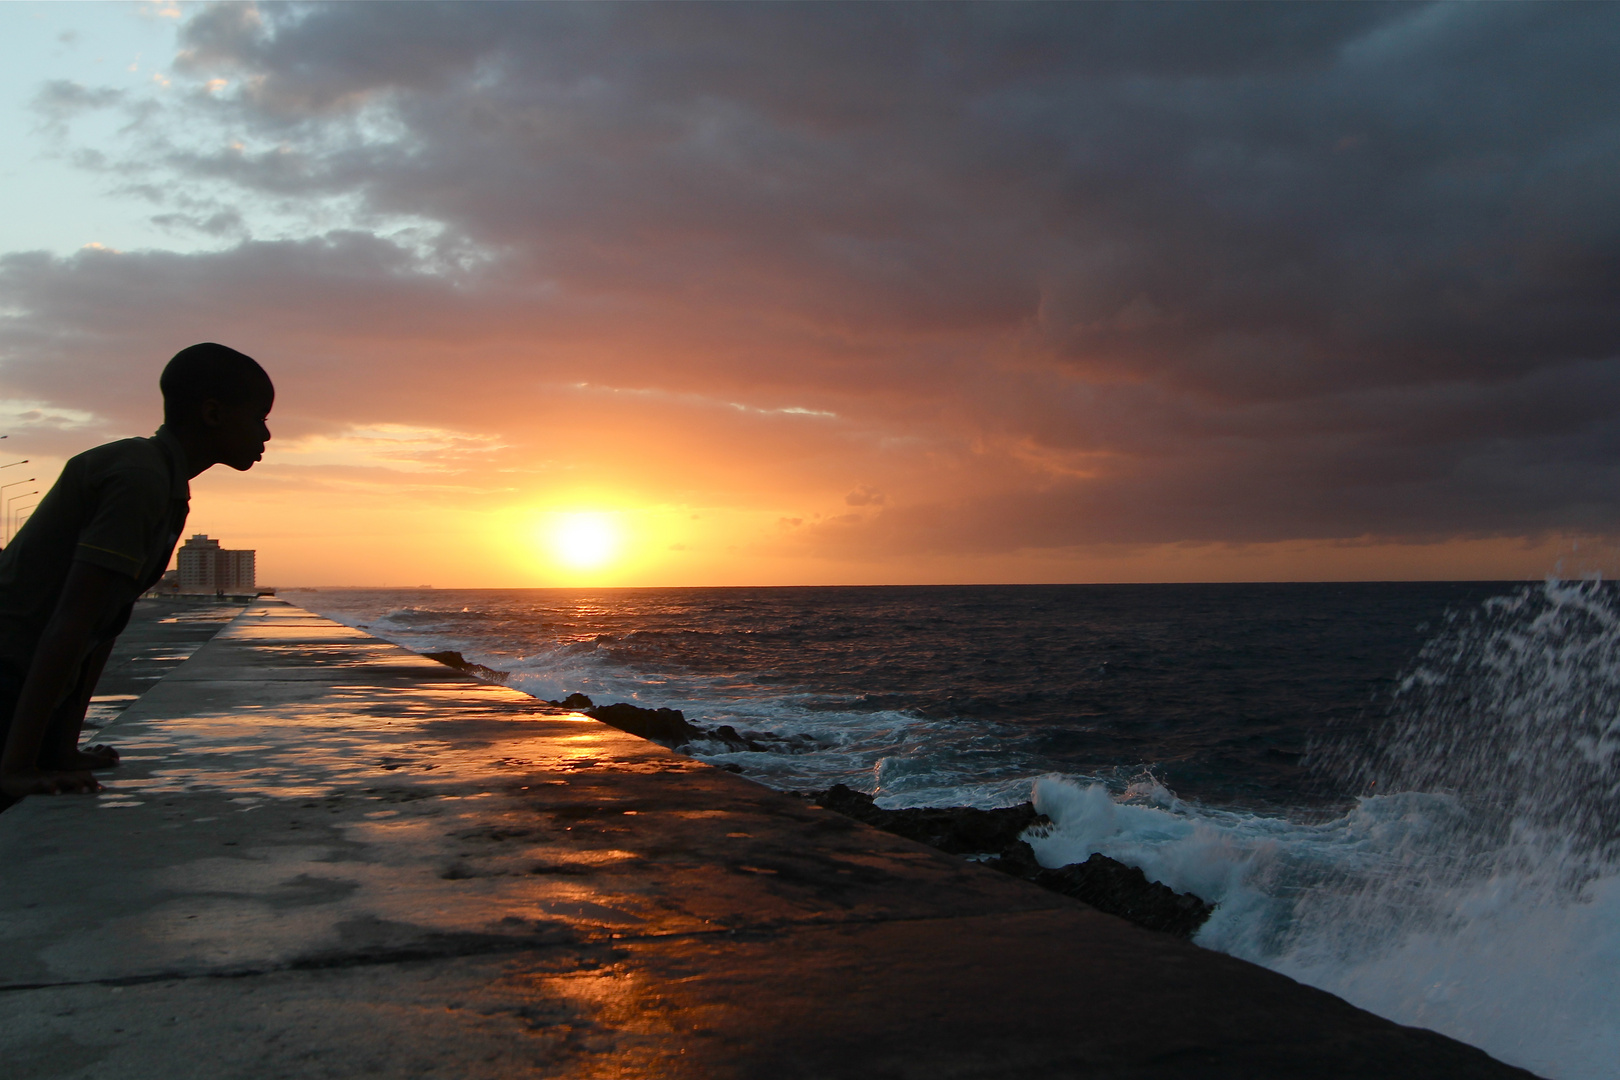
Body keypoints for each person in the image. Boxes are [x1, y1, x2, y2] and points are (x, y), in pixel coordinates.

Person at [0, 343, 272, 802]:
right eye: (260, 417)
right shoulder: (138, 476)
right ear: (213, 413)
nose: (266, 435)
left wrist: (64, 748)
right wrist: (17, 767)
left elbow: (104, 624)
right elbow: (71, 620)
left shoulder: (166, 483)